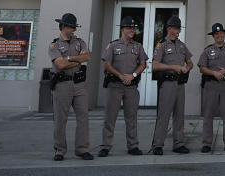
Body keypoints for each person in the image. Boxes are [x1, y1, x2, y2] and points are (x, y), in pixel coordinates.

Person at [98, 15, 149, 157]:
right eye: (129, 28)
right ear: (123, 29)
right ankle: (105, 147)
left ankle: (133, 146)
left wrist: (132, 75)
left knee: (131, 117)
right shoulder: (113, 45)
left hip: (131, 87)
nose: (132, 30)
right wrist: (120, 75)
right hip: (115, 85)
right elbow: (107, 64)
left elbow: (143, 63)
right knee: (110, 117)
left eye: (133, 28)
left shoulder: (138, 46)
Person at [48, 13, 93, 161]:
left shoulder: (80, 42)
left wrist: (68, 58)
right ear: (63, 27)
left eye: (74, 26)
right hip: (62, 85)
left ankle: (82, 149)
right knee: (61, 119)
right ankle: (60, 150)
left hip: (79, 84)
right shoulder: (54, 45)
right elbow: (59, 64)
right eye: (70, 26)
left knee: (83, 117)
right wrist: (76, 61)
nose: (73, 29)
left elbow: (86, 57)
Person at [150, 15, 193, 155]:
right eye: (176, 28)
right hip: (167, 84)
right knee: (164, 115)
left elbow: (190, 62)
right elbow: (155, 65)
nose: (178, 31)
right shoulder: (161, 44)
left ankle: (178, 144)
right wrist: (174, 67)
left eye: (179, 28)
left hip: (180, 84)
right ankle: (157, 145)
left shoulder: (182, 45)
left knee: (179, 115)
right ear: (169, 29)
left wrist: (188, 67)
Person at [198, 22, 225, 153]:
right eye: (216, 34)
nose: (219, 35)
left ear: (224, 34)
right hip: (210, 86)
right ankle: (206, 143)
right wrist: (214, 73)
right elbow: (201, 68)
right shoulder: (207, 50)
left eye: (221, 33)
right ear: (213, 36)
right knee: (208, 115)